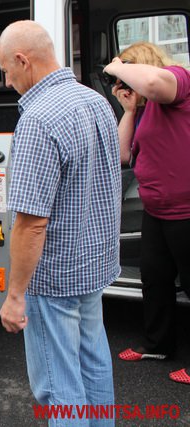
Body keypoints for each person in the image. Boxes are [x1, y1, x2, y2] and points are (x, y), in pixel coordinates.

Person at [0, 20, 121, 423]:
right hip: (94, 263)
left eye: (5, 69)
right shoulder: (96, 101)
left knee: (58, 385)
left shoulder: (37, 120)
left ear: (22, 60)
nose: (6, 79)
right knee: (94, 362)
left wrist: (14, 296)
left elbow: (31, 223)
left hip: (54, 278)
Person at [104, 42, 190, 385]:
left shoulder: (178, 81)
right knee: (154, 280)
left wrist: (114, 66)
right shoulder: (146, 106)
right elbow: (122, 154)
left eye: (128, 75)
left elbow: (154, 83)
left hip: (186, 210)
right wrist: (128, 109)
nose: (126, 86)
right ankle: (159, 344)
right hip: (157, 210)